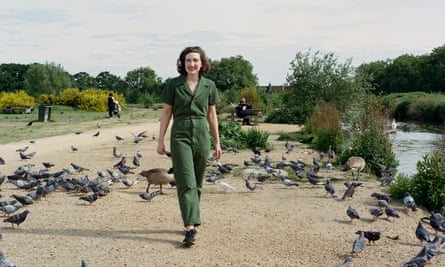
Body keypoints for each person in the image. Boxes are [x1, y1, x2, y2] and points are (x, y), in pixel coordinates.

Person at [157, 46, 222, 247]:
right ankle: (190, 227)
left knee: (198, 182)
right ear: (182, 64)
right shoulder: (173, 85)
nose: (191, 64)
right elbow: (167, 113)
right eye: (188, 60)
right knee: (186, 180)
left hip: (202, 134)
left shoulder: (209, 86)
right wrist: (160, 140)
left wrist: (217, 142)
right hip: (181, 134)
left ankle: (191, 216)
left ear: (202, 63)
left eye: (195, 60)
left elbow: (212, 115)